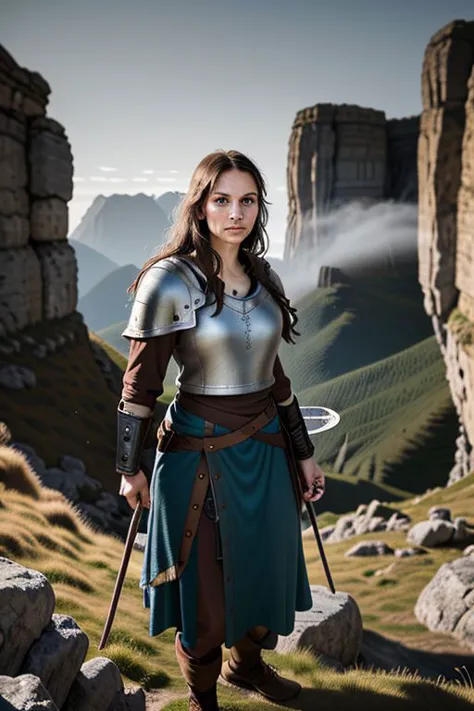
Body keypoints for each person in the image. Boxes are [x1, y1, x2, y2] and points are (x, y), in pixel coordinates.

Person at [116, 149, 325, 711]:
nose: (237, 212)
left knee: (266, 574)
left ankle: (247, 667)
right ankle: (201, 697)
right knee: (205, 598)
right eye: (223, 200)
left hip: (267, 452)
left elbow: (275, 376)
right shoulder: (170, 281)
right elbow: (140, 387)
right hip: (199, 459)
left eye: (249, 200)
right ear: (201, 206)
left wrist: (303, 453)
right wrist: (129, 469)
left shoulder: (263, 275)